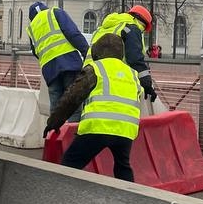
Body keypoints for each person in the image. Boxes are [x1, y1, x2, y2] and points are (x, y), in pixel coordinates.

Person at [44, 33, 141, 182]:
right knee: (123, 166)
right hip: (126, 130)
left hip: (98, 127)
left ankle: (60, 196)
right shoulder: (132, 74)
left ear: (96, 53)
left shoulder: (95, 68)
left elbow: (72, 97)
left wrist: (54, 122)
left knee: (70, 164)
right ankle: (130, 198)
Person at [26, 1, 89, 122]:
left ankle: (55, 137)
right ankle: (71, 137)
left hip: (50, 70)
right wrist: (87, 52)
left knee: (56, 109)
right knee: (73, 104)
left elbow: (35, 51)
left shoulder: (31, 28)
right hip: (69, 63)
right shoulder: (55, 13)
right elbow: (72, 33)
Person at [90, 5, 157, 103]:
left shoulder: (104, 28)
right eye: (143, 29)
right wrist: (146, 84)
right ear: (141, 22)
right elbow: (135, 59)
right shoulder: (131, 28)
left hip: (90, 72)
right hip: (113, 75)